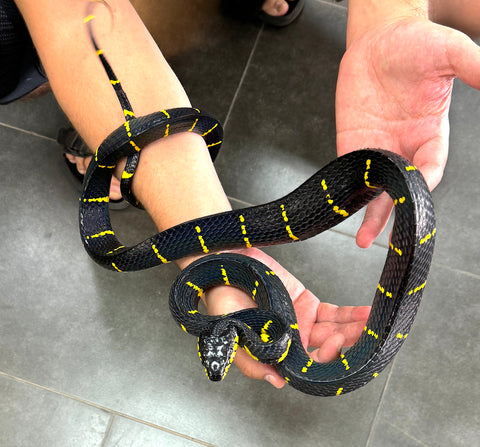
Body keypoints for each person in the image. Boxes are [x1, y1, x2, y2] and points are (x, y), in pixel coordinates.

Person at [3, 0, 480, 389]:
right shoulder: (225, 316)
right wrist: (195, 220)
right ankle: (117, 143)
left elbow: (87, 14)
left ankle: (117, 147)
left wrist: (387, 15)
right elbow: (81, 17)